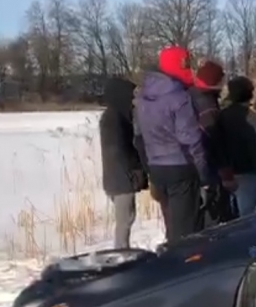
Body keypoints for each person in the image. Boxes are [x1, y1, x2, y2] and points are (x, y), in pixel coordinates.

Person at [134, 45, 211, 242]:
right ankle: (184, 268)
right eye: (186, 64)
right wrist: (203, 175)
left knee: (172, 225)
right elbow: (191, 140)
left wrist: (149, 169)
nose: (190, 70)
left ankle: (172, 261)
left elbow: (139, 138)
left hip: (157, 167)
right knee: (186, 232)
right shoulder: (179, 97)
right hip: (181, 167)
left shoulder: (143, 97)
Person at [99, 76, 147, 249]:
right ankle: (121, 252)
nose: (133, 100)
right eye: (131, 95)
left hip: (117, 177)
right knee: (125, 220)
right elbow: (120, 150)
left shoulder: (113, 116)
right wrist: (135, 170)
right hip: (121, 178)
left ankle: (122, 250)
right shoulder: (116, 119)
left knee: (126, 219)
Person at [189, 59, 237, 227]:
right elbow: (215, 141)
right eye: (222, 80)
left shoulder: (192, 95)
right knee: (215, 214)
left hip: (195, 165)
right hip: (210, 168)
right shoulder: (208, 106)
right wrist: (227, 174)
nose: (224, 85)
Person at [219, 76, 256, 217]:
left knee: (232, 213)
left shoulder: (222, 115)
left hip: (228, 171)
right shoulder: (251, 116)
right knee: (247, 213)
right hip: (248, 171)